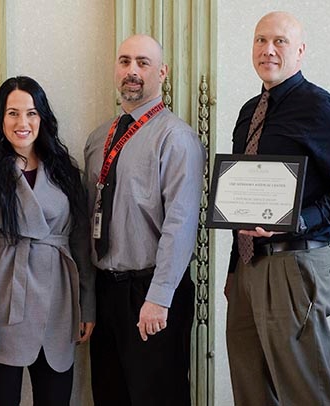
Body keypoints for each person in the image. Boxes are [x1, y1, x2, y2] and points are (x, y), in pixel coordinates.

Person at [224, 11, 330, 406]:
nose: (267, 50)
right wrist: (234, 271)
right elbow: (242, 203)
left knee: (305, 392)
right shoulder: (248, 112)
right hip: (250, 271)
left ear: (300, 51)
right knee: (249, 388)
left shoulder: (322, 108)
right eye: (260, 40)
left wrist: (299, 221)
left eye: (280, 41)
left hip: (295, 264)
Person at [84, 34, 206, 405]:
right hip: (107, 292)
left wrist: (159, 297)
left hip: (151, 293)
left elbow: (180, 225)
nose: (132, 71)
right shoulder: (97, 138)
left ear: (162, 72)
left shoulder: (177, 137)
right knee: (109, 395)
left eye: (143, 62)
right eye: (124, 61)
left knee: (157, 397)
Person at [0, 76, 95, 406]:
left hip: (59, 304)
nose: (23, 123)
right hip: (2, 304)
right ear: (0, 118)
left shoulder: (65, 170)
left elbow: (80, 243)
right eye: (13, 113)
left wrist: (86, 306)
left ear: (42, 118)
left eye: (32, 113)